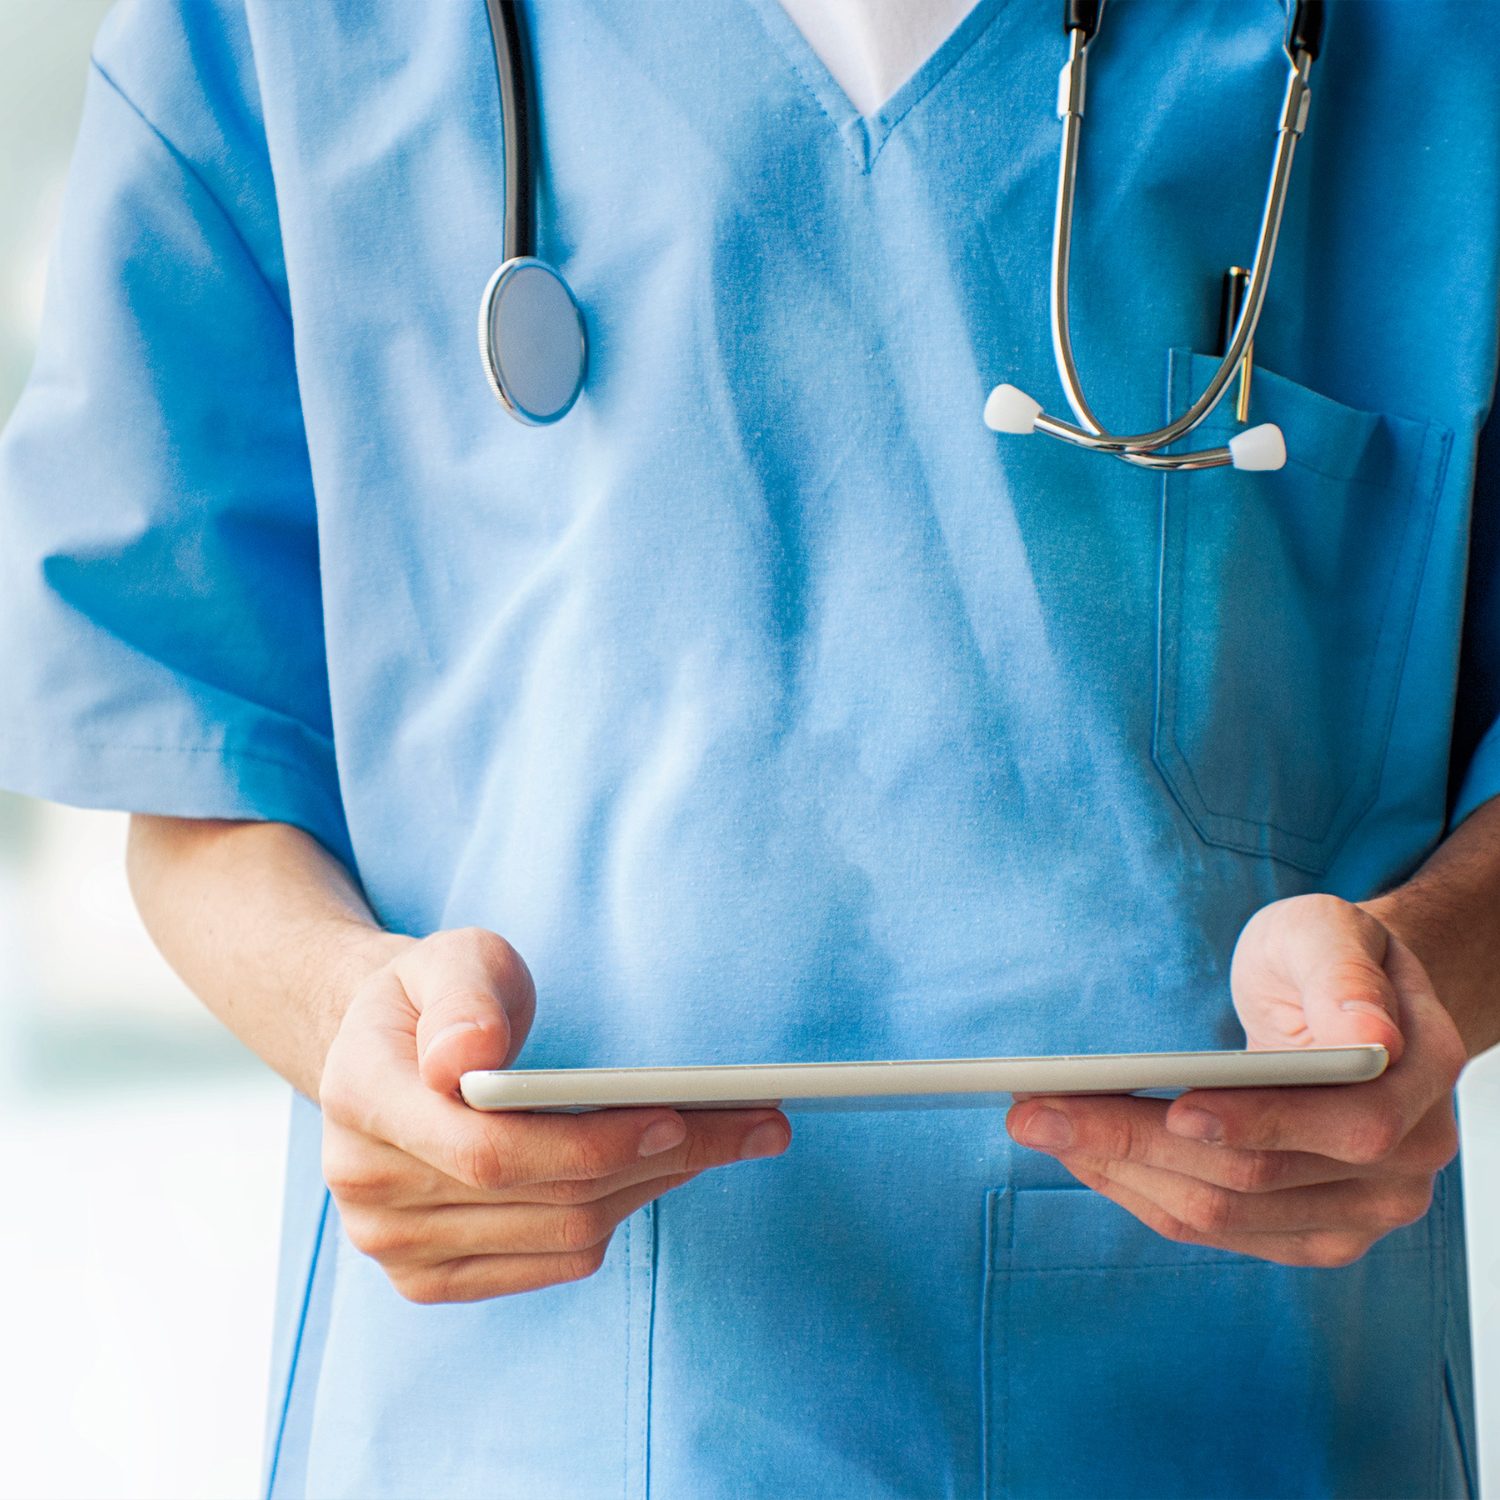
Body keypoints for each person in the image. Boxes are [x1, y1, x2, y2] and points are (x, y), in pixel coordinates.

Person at [0, 0, 1493, 1494]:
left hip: (1232, 1413)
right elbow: (188, 746)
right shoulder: (271, 30)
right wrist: (346, 1021)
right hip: (526, 1415)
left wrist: (1418, 973)